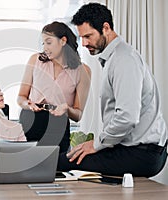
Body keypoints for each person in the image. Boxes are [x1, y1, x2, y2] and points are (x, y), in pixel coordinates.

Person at [57, 3, 168, 177]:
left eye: (88, 36)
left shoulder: (123, 60)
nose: (84, 43)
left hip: (143, 154)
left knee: (64, 161)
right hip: (136, 149)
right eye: (82, 38)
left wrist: (96, 144)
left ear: (106, 28)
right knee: (70, 157)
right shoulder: (115, 58)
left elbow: (127, 116)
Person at [17, 21, 91, 153]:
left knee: (57, 168)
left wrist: (66, 108)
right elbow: (21, 97)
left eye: (49, 42)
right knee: (26, 165)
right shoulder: (35, 60)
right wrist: (27, 104)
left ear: (63, 41)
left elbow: (78, 115)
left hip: (59, 124)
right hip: (31, 119)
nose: (45, 47)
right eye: (43, 43)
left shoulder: (83, 71)